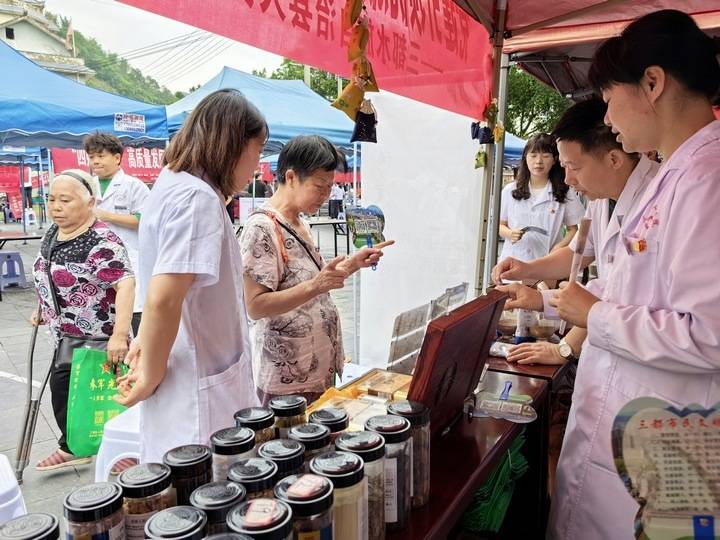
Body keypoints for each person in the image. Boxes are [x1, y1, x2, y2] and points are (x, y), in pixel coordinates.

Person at [544, 11, 720, 540]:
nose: (609, 116)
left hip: (665, 436)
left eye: (610, 96)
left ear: (652, 83)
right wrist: (566, 301)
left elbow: (710, 333)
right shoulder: (677, 171)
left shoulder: (706, 180)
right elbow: (641, 289)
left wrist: (594, 315)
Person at [115, 89, 265, 462]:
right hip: (197, 393)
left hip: (192, 366)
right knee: (205, 490)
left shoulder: (173, 186)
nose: (258, 165)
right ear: (233, 143)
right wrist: (149, 372)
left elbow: (161, 285)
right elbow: (164, 296)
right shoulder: (196, 198)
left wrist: (147, 346)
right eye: (258, 150)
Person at [493, 96, 659, 366]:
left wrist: (564, 347)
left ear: (614, 159)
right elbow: (576, 254)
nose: (568, 179)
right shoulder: (601, 200)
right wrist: (527, 270)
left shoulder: (659, 200)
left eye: (573, 167)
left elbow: (612, 294)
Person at [240, 135, 393, 405]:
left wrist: (353, 264)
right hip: (288, 381)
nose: (325, 196)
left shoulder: (299, 222)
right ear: (290, 177)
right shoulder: (262, 228)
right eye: (319, 187)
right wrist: (317, 285)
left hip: (317, 371)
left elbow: (315, 280)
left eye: (330, 187)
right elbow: (255, 305)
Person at [31, 169, 135, 471]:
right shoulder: (54, 232)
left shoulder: (101, 240)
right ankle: (74, 445)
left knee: (109, 392)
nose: (56, 207)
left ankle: (120, 449)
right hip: (66, 333)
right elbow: (47, 272)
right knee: (65, 389)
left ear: (90, 202)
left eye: (65, 200)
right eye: (51, 200)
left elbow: (126, 284)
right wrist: (44, 305)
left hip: (101, 335)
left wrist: (118, 337)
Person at [84, 133, 150, 336]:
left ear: (117, 157)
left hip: (129, 258)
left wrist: (107, 216)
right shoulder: (87, 185)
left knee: (133, 315)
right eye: (92, 156)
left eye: (101, 156)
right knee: (103, 315)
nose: (95, 161)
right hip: (95, 261)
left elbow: (145, 221)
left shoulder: (134, 186)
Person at [498, 133, 585, 262]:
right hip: (512, 262)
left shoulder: (564, 191)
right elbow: (499, 225)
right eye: (533, 155)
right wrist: (510, 234)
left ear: (555, 159)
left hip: (547, 264)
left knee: (542, 281)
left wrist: (559, 247)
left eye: (545, 156)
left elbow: (574, 229)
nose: (538, 161)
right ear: (525, 158)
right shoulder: (510, 190)